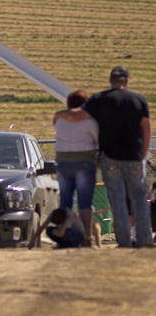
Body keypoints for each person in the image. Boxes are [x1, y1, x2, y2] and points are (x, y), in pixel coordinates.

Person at [56, 66, 152, 247]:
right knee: (139, 199)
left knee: (117, 200)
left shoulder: (100, 99)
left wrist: (61, 114)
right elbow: (146, 128)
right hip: (134, 157)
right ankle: (145, 240)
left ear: (111, 82)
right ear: (127, 81)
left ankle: (123, 242)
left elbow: (80, 115)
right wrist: (143, 154)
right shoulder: (138, 100)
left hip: (110, 158)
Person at [52, 89, 99, 246]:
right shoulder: (90, 121)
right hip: (85, 162)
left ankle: (64, 235)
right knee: (85, 202)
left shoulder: (60, 120)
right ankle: (87, 237)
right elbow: (96, 140)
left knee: (65, 201)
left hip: (63, 161)